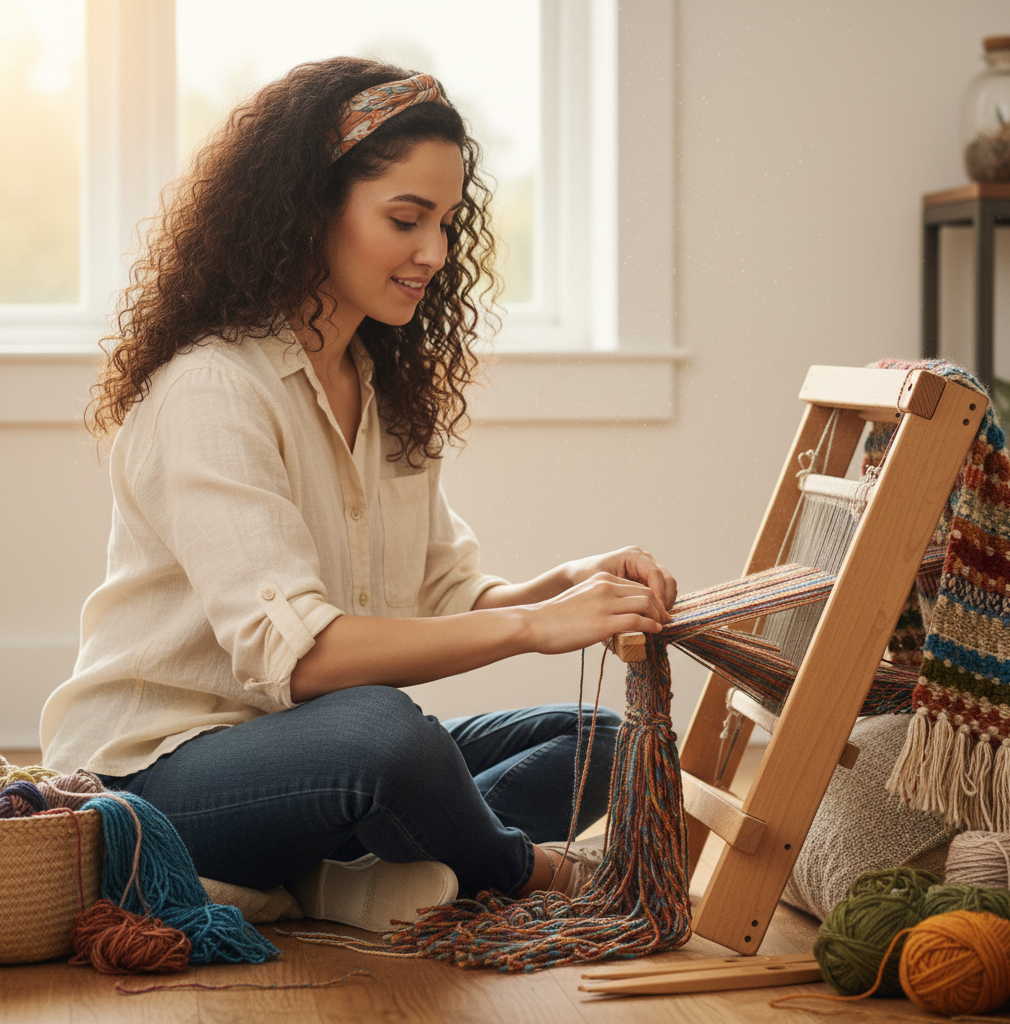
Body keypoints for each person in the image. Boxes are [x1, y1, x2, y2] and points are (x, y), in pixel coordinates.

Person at [40, 57, 677, 930]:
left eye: (447, 222)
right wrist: (532, 631)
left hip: (309, 758)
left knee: (599, 741)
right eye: (406, 219)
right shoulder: (211, 388)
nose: (435, 253)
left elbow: (445, 594)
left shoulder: (379, 383)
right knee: (384, 738)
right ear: (310, 211)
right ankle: (521, 870)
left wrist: (560, 588)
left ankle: (340, 876)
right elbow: (301, 660)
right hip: (156, 780)